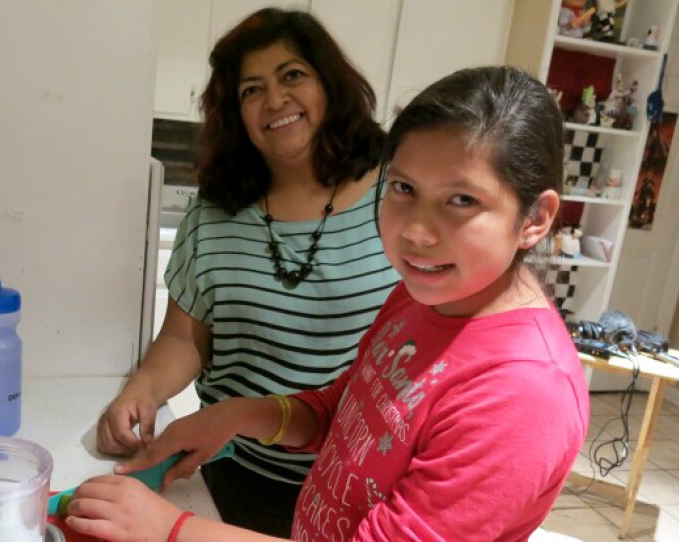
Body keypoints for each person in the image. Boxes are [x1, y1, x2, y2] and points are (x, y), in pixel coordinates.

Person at [68, 66, 591, 542]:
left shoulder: (524, 389)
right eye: (404, 187)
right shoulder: (420, 297)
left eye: (462, 200)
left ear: (536, 218)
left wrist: (173, 530)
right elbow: (344, 416)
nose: (414, 230)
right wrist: (237, 415)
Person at [95, 7, 399, 535]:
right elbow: (186, 337)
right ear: (235, 113)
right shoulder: (215, 210)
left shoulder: (399, 197)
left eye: (293, 75)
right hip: (231, 469)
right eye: (251, 89)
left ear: (330, 81)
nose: (275, 99)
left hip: (361, 486)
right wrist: (141, 389)